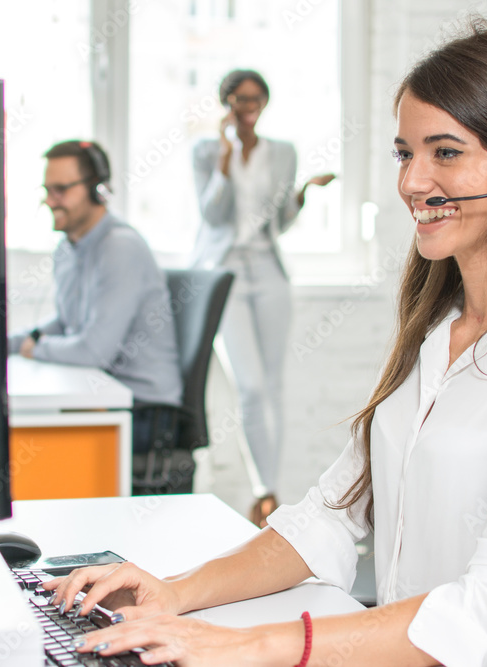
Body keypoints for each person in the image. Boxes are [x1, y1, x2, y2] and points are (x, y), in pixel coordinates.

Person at [41, 26, 487, 665]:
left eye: (445, 152)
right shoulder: (436, 337)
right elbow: (329, 517)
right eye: (405, 153)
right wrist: (172, 595)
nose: (412, 182)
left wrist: (249, 646)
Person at [191, 68, 335, 526]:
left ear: (264, 102)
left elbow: (280, 222)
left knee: (271, 387)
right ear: (227, 102)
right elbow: (213, 215)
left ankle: (267, 496)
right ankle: (262, 488)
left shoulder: (283, 153)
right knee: (249, 386)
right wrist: (227, 159)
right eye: (238, 98)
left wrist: (303, 194)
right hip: (225, 271)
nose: (247, 106)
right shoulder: (207, 151)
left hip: (268, 271)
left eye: (256, 98)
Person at [9, 140, 184, 456]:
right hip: (101, 398)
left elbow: (92, 351)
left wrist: (34, 349)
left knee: (31, 452)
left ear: (98, 190)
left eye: (61, 189)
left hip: (144, 413)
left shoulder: (119, 248)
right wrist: (7, 343)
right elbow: (66, 322)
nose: (50, 201)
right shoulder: (67, 248)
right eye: (47, 190)